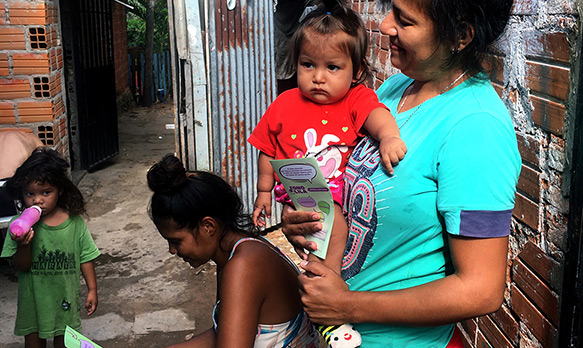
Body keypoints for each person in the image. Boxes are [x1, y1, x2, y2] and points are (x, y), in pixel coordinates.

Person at [280, 0, 521, 346]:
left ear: (461, 35)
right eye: (391, 9)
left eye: (405, 22)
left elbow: (481, 289)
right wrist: (307, 222)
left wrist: (346, 305)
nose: (385, 25)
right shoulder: (395, 91)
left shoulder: (475, 127)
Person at [249, 0, 406, 294]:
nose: (318, 77)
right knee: (328, 228)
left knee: (327, 232)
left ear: (356, 71)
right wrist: (263, 192)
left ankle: (324, 278)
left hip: (333, 192)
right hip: (296, 188)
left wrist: (388, 137)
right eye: (308, 64)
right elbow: (267, 148)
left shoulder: (355, 99)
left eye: (332, 67)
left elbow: (377, 115)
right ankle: (325, 281)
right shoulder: (284, 103)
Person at [146, 154, 320, 348]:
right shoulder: (237, 250)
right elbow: (225, 331)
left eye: (176, 242)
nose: (172, 251)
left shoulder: (243, 266)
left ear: (208, 226)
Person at [1, 147, 100, 348]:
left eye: (46, 192)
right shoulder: (17, 225)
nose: (37, 200)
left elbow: (85, 257)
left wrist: (92, 289)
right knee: (34, 342)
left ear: (59, 190)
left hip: (64, 297)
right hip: (33, 300)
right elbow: (21, 266)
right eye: (30, 194)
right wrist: (23, 246)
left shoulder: (74, 224)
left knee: (64, 342)